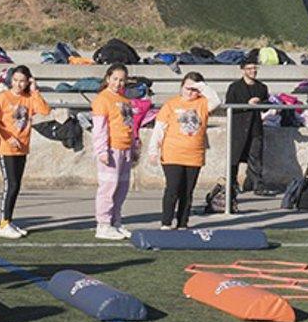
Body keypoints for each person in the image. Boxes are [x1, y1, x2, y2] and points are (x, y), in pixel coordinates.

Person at [147, 72, 220, 230]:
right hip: (173, 153)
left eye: (194, 89)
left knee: (187, 192)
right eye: (187, 88)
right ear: (181, 87)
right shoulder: (171, 104)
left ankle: (182, 223)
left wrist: (201, 86)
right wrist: (153, 150)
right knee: (173, 188)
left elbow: (217, 101)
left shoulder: (203, 103)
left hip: (194, 155)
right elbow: (159, 128)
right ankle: (166, 223)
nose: (190, 92)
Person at [0, 64, 50, 239]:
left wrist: (35, 89)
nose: (18, 84)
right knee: (11, 184)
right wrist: (8, 137)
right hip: (6, 147)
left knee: (17, 185)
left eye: (22, 81)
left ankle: (9, 219)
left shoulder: (29, 97)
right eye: (15, 80)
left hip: (22, 147)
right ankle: (3, 223)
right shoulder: (3, 97)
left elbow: (45, 110)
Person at [91, 64, 136, 240]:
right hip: (111, 148)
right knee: (108, 187)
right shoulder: (102, 99)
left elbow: (129, 125)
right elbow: (99, 128)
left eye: (122, 80)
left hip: (125, 148)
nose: (118, 83)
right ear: (108, 78)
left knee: (122, 188)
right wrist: (102, 150)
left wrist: (133, 146)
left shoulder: (125, 100)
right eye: (115, 79)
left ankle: (115, 221)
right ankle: (103, 224)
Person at [225, 56, 270, 207]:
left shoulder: (261, 87)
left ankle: (257, 184)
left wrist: (260, 104)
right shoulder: (235, 87)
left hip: (255, 126)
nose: (253, 71)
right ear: (243, 70)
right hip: (238, 126)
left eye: (255, 68)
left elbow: (267, 104)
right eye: (249, 69)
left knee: (256, 156)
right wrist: (247, 104)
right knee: (234, 157)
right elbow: (229, 105)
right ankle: (232, 183)